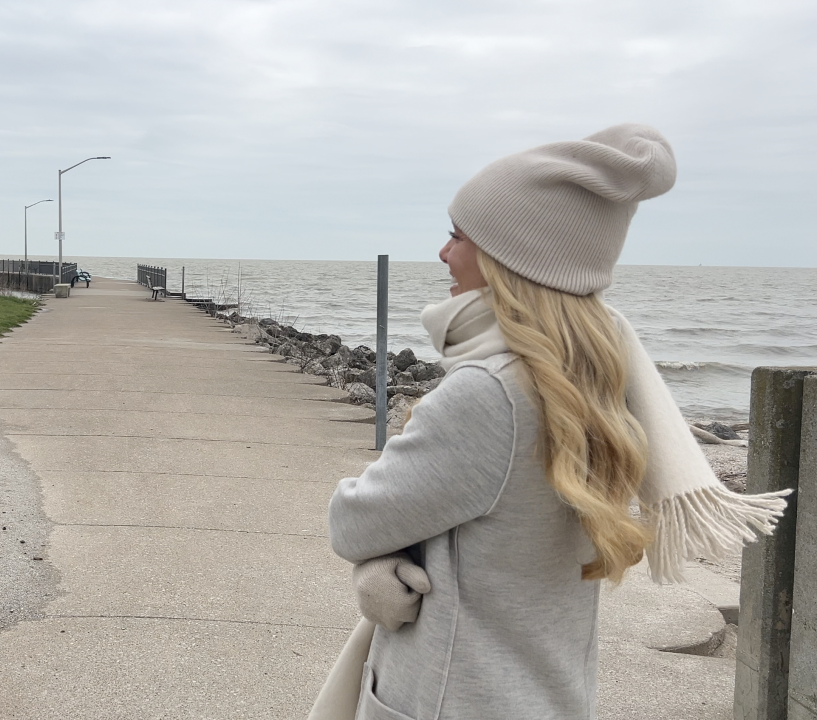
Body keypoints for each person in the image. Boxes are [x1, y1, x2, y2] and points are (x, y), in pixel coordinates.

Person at [321, 124, 790, 719]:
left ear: (508, 259)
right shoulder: (594, 378)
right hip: (547, 695)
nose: (443, 253)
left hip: (451, 696)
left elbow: (354, 520)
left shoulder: (490, 393)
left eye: (457, 236)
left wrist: (382, 558)